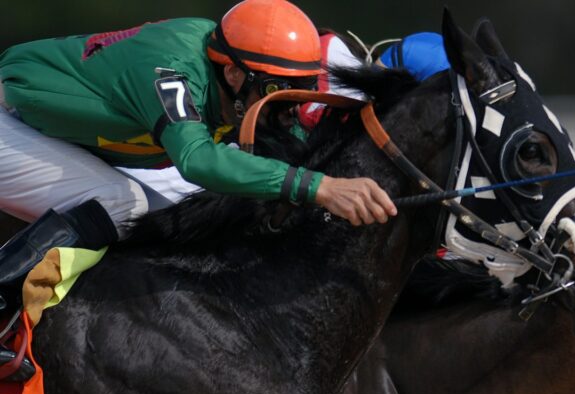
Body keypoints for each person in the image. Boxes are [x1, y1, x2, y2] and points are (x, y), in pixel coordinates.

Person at [0, 0, 397, 296]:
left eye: (301, 90)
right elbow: (196, 160)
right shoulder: (169, 70)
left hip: (44, 133)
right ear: (232, 71)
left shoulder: (230, 74)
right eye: (278, 89)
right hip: (9, 123)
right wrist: (319, 187)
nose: (289, 106)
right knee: (124, 204)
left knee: (173, 217)